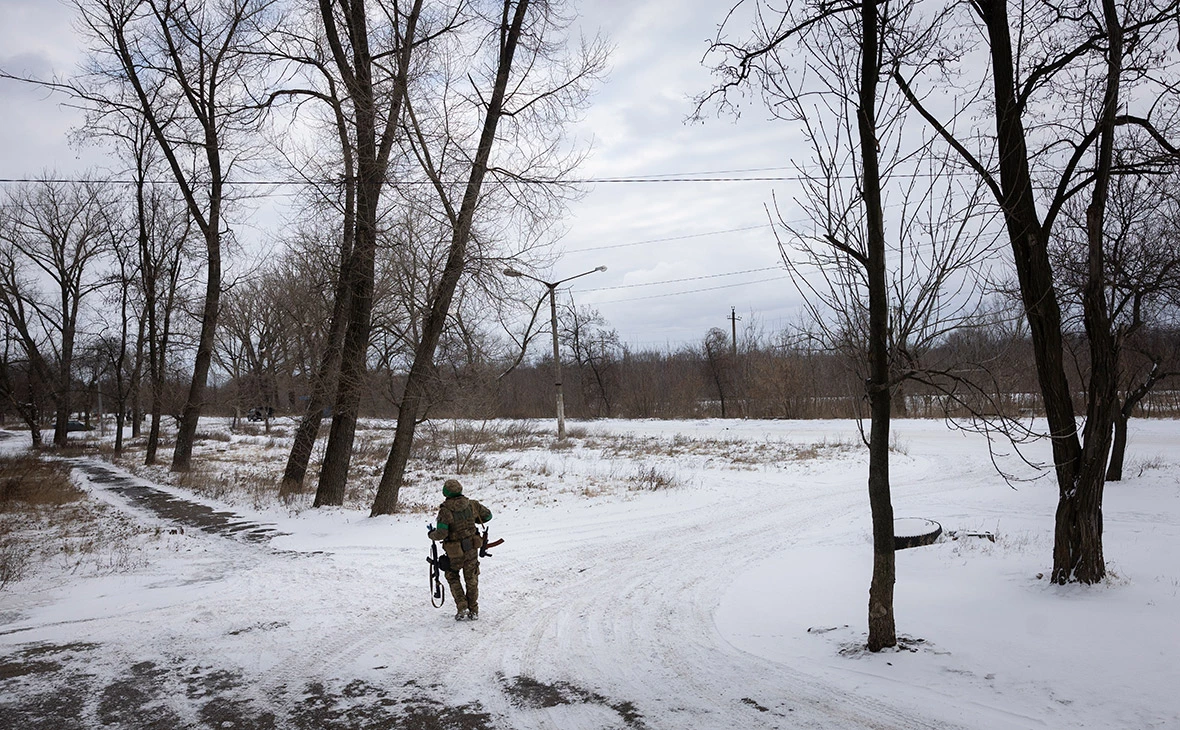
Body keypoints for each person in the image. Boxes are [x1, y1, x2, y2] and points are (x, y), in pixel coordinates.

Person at [428, 479, 492, 621]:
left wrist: (430, 534)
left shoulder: (445, 511)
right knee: (472, 579)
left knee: (452, 576)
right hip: (471, 550)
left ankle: (462, 606)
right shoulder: (472, 505)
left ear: (446, 492)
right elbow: (488, 516)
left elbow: (441, 534)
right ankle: (473, 610)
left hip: (454, 552)